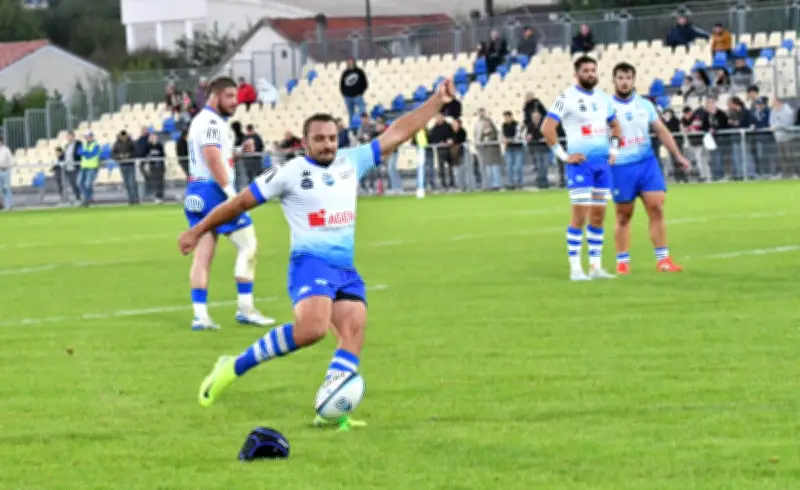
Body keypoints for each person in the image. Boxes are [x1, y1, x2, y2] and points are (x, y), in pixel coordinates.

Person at [177, 78, 458, 431]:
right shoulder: (289, 173)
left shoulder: (351, 161)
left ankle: (331, 411)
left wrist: (436, 102)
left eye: (332, 137)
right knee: (311, 330)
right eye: (319, 139)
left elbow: (397, 133)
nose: (327, 144)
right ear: (305, 142)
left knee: (354, 329)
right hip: (309, 264)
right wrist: (198, 229)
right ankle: (232, 366)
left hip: (343, 266)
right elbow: (239, 203)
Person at [182, 76, 275, 331]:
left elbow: (215, 155)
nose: (236, 102)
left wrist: (236, 153)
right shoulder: (211, 122)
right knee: (249, 246)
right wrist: (231, 194)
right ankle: (246, 309)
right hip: (213, 192)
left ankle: (200, 315)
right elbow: (212, 157)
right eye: (230, 97)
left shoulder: (204, 121)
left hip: (196, 190)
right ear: (215, 96)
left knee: (203, 255)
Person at [541, 55, 622, 281]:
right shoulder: (566, 98)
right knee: (579, 216)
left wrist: (614, 151)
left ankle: (595, 267)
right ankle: (576, 268)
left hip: (602, 166)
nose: (591, 74)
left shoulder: (604, 99)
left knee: (598, 217)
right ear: (576, 74)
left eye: (593, 70)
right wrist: (564, 156)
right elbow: (547, 128)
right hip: (580, 166)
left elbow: (615, 126)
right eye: (586, 70)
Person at [609, 63, 691, 275]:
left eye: (628, 77)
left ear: (634, 80)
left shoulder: (645, 105)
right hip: (620, 167)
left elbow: (662, 131)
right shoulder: (606, 107)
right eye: (620, 77)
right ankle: (622, 261)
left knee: (656, 207)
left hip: (646, 164)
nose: (625, 81)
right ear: (614, 80)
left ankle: (663, 260)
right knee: (623, 215)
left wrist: (677, 155)